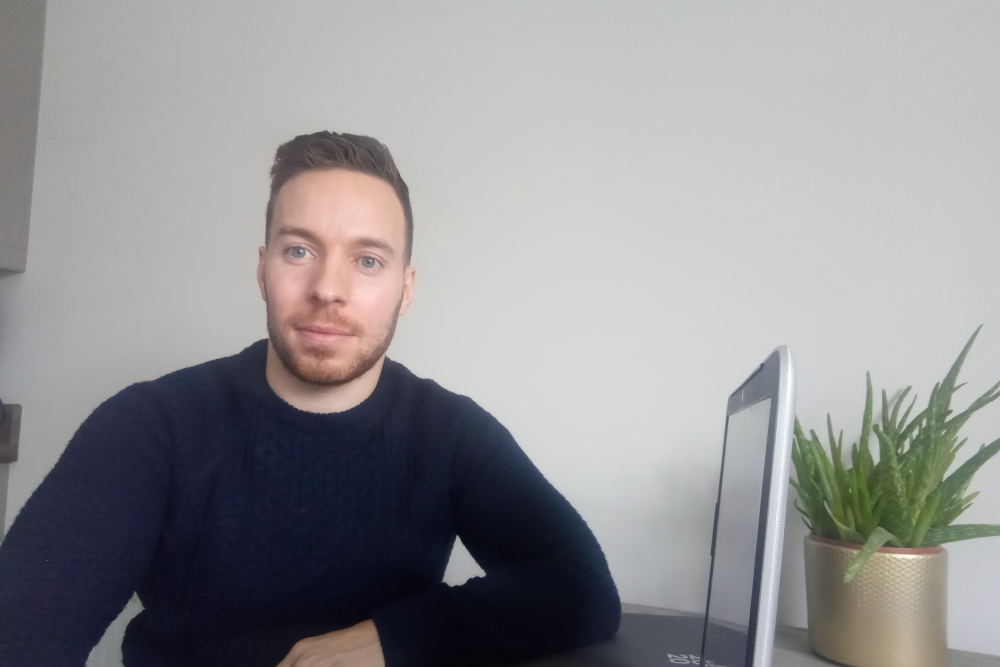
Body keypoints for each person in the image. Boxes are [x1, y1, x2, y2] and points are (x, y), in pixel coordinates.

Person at [0, 131, 621, 667]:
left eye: (368, 261)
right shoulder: (151, 427)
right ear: (262, 267)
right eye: (299, 250)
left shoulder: (450, 434)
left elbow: (580, 590)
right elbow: (20, 636)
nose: (328, 288)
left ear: (405, 290)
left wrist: (395, 638)